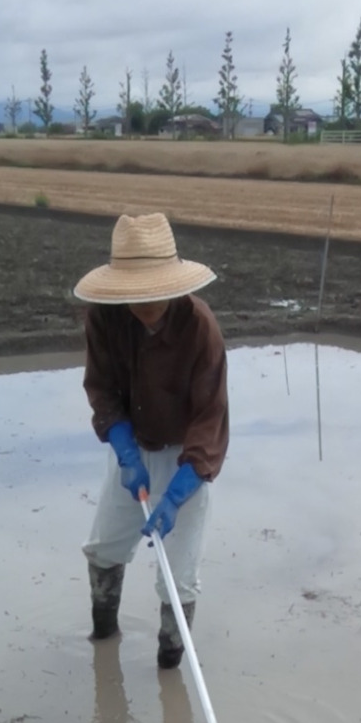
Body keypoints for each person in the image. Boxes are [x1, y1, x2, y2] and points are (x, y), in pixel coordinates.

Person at [73, 212, 229, 669]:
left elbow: (210, 416)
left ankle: (170, 665)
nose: (144, 305)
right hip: (133, 449)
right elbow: (102, 388)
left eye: (153, 294)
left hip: (186, 458)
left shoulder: (199, 328)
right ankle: (104, 639)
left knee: (178, 579)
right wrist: (123, 448)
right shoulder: (104, 318)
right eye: (135, 295)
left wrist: (179, 492)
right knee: (104, 549)